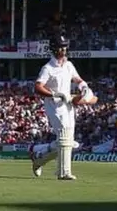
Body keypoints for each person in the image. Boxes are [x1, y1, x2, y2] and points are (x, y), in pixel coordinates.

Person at [31, 34, 97, 180]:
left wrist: (84, 87)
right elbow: (38, 87)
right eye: (61, 47)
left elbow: (77, 79)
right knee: (64, 136)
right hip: (54, 106)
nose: (64, 49)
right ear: (54, 49)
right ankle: (63, 172)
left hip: (67, 105)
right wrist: (55, 94)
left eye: (65, 46)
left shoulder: (68, 65)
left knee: (68, 142)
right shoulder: (48, 68)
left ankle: (39, 158)